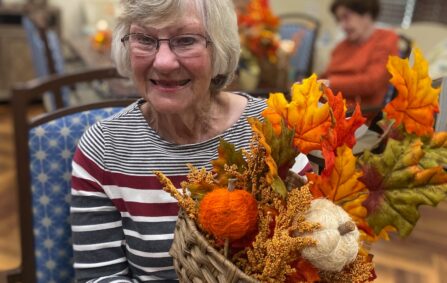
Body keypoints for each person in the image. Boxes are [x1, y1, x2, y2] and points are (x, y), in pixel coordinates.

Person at [70, 0, 267, 282]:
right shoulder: (104, 148)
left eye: (186, 40)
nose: (163, 62)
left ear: (220, 48)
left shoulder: (270, 130)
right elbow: (101, 277)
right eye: (145, 39)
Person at [321, 0, 399, 109]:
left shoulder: (386, 39)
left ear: (367, 14)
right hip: (330, 107)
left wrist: (329, 84)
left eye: (346, 17)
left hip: (360, 114)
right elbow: (326, 76)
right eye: (339, 20)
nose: (342, 25)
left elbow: (371, 82)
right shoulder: (341, 46)